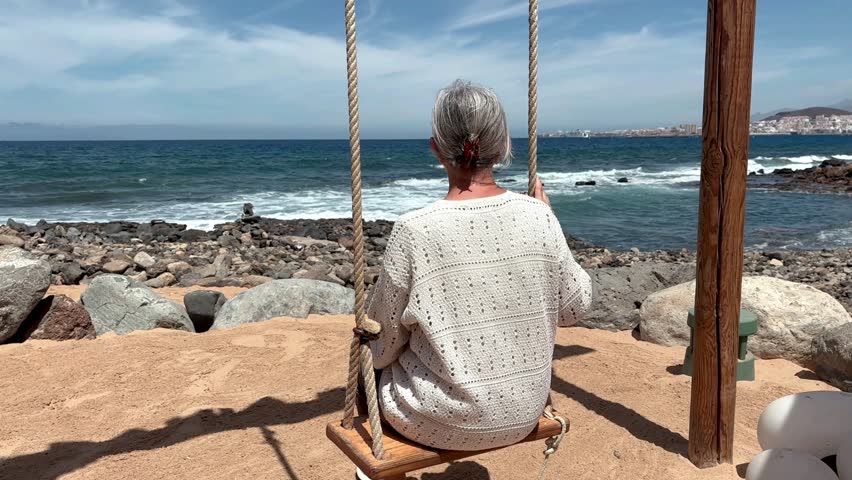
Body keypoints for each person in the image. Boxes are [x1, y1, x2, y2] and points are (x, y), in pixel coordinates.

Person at [364, 79, 592, 459]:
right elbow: (574, 307)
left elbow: (381, 347)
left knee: (365, 362)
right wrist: (549, 218)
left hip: (437, 422)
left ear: (436, 149)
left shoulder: (414, 230)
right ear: (503, 147)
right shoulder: (540, 217)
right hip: (523, 413)